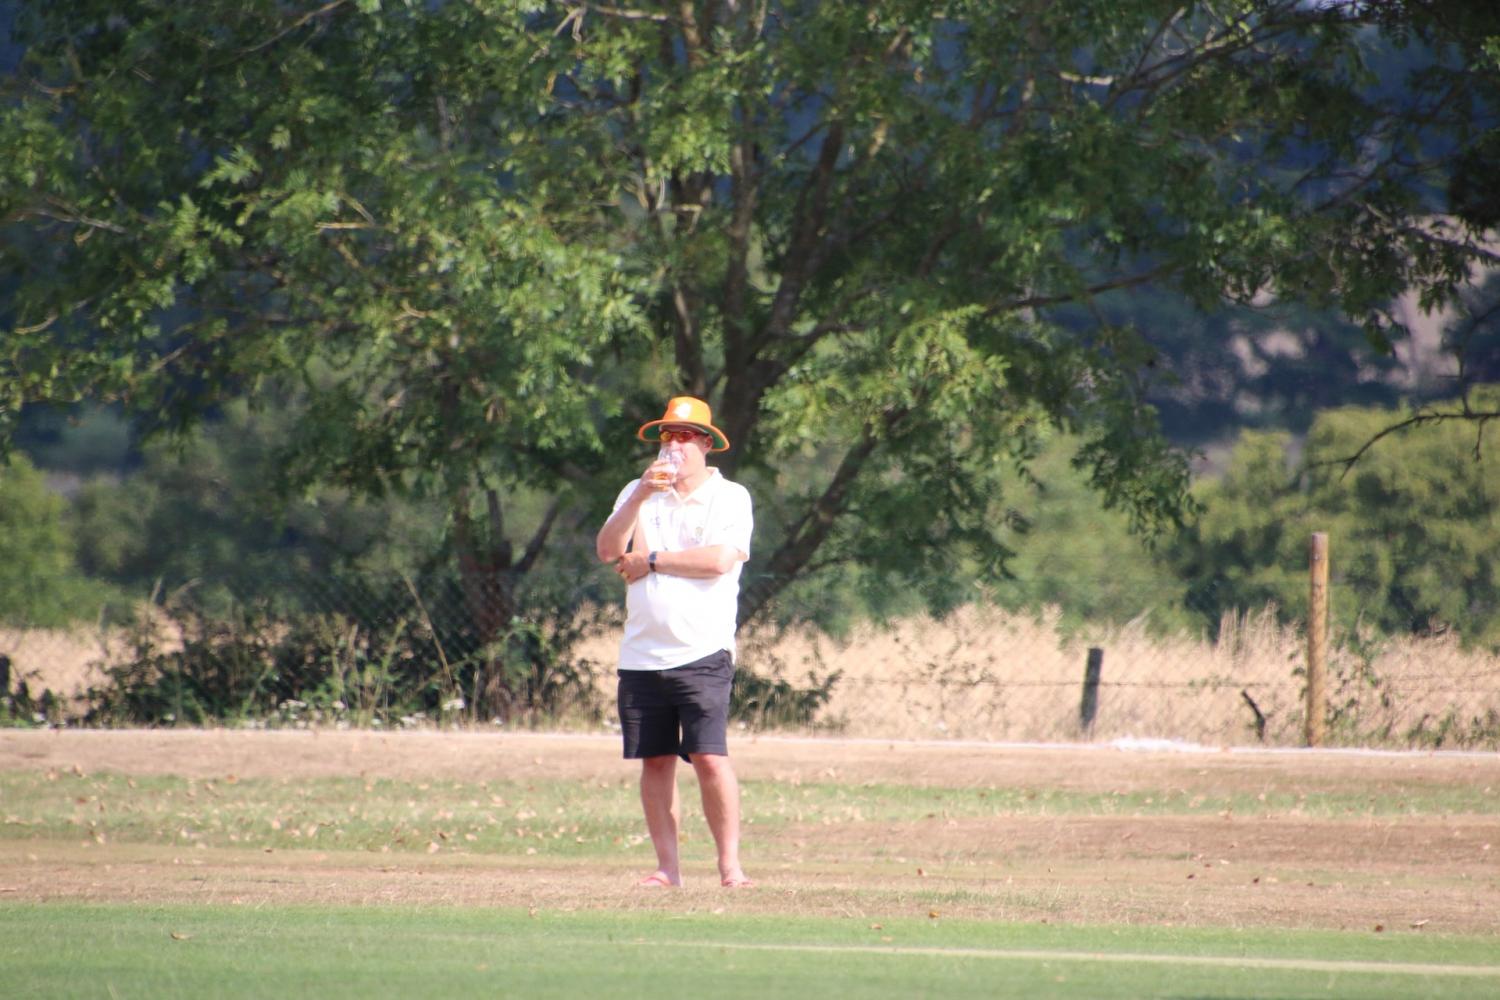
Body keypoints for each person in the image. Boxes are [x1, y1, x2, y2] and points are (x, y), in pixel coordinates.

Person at [595, 395, 754, 889]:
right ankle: (668, 869)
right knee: (656, 760)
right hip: (642, 653)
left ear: (706, 444)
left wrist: (653, 561)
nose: (674, 446)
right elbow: (608, 551)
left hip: (702, 650)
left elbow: (718, 561)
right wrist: (640, 495)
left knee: (708, 756)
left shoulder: (730, 497)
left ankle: (731, 869)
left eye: (685, 436)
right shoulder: (639, 492)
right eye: (667, 436)